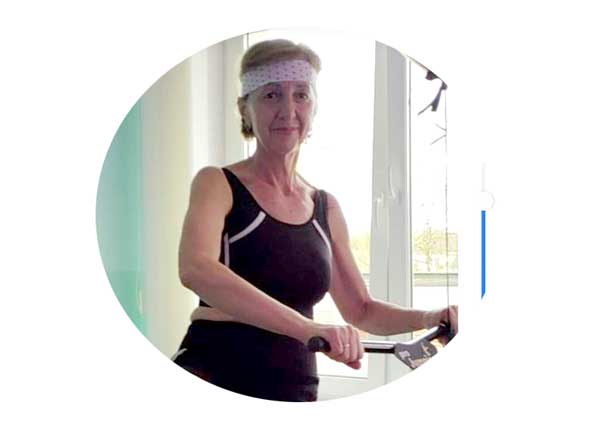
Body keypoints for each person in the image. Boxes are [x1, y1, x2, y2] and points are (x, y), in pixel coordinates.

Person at [173, 39, 458, 402]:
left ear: (313, 108)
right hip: (215, 371)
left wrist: (430, 317)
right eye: (272, 95)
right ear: (246, 109)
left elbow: (362, 310)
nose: (288, 110)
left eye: (301, 95)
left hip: (295, 388)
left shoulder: (325, 206)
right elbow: (196, 269)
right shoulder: (218, 183)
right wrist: (307, 327)